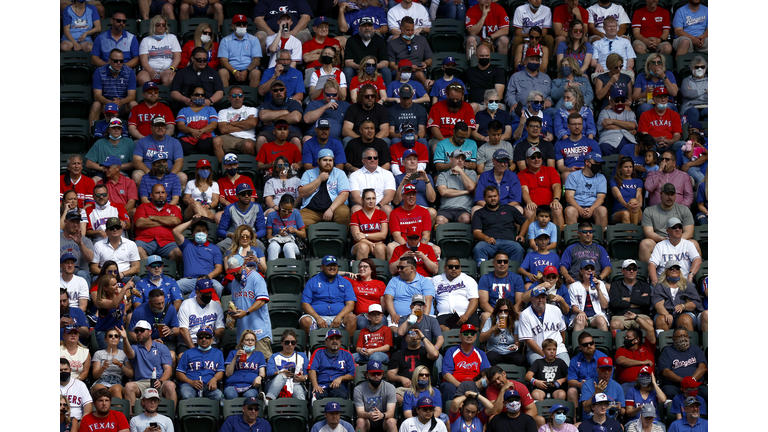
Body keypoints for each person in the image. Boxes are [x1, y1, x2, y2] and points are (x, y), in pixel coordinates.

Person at [118, 322, 177, 415]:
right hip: (141, 382)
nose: (139, 333)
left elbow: (168, 370)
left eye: (142, 330)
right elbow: (129, 353)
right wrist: (125, 339)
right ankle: (132, 419)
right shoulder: (135, 348)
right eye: (137, 331)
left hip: (159, 381)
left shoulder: (162, 347)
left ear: (150, 332)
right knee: (129, 386)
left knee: (170, 385)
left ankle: (170, 418)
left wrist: (161, 381)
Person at [300, 255, 357, 336]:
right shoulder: (312, 281)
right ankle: (307, 348)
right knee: (305, 320)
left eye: (334, 265)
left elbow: (350, 304)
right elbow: (305, 304)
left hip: (339, 317)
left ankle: (348, 346)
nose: (332, 268)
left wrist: (339, 317)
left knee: (352, 318)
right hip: (317, 317)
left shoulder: (345, 282)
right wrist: (318, 318)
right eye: (328, 265)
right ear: (322, 267)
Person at [472, 185, 531, 265]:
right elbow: (476, 232)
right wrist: (486, 238)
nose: (493, 198)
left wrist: (521, 235)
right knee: (478, 248)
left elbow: (525, 221)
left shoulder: (509, 209)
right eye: (490, 197)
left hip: (509, 242)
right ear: (484, 198)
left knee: (518, 248)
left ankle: (513, 274)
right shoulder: (479, 213)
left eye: (495, 196)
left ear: (499, 196)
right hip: (488, 243)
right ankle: (482, 273)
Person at [228, 255, 272, 358]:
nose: (234, 273)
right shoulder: (234, 283)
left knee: (264, 367)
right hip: (242, 335)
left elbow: (262, 300)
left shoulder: (256, 277)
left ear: (243, 266)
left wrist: (246, 312)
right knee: (243, 369)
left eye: (236, 270)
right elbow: (235, 304)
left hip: (259, 333)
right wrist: (233, 312)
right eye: (232, 271)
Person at [639, 184, 697, 262]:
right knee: (645, 244)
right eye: (667, 194)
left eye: (672, 194)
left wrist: (675, 241)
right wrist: (662, 239)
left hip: (679, 241)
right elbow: (648, 232)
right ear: (660, 194)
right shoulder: (649, 211)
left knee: (694, 244)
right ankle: (650, 273)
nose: (670, 197)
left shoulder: (684, 209)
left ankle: (691, 274)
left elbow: (689, 232)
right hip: (659, 241)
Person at [440, 324, 491, 406]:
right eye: (466, 334)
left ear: (475, 337)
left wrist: (476, 386)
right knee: (448, 387)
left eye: (472, 334)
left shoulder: (481, 353)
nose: (469, 336)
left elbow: (487, 373)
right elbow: (446, 374)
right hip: (456, 384)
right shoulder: (451, 351)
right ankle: (449, 415)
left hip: (475, 385)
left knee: (487, 387)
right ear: (460, 336)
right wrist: (462, 386)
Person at [128, 287, 180, 367]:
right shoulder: (139, 311)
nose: (161, 306)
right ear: (150, 302)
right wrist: (149, 342)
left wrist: (171, 331)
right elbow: (131, 334)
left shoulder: (170, 308)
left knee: (172, 356)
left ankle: (168, 379)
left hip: (164, 341)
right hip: (144, 342)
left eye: (163, 302)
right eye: (158, 304)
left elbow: (177, 329)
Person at [298, 149, 352, 226]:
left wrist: (331, 209)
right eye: (325, 160)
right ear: (318, 161)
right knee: (301, 222)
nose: (328, 163)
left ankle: (340, 238)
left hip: (335, 208)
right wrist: (319, 179)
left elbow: (344, 195)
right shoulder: (308, 173)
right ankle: (317, 237)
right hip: (311, 210)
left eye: (330, 160)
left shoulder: (340, 173)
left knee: (343, 214)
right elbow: (302, 193)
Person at [132, 116, 187, 188]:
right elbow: (136, 161)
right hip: (148, 173)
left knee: (182, 177)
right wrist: (149, 172)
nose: (160, 128)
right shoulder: (142, 141)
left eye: (162, 125)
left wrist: (170, 176)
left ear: (166, 127)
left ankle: (178, 199)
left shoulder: (174, 142)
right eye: (157, 126)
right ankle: (142, 198)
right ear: (151, 128)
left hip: (168, 173)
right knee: (137, 175)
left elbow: (179, 161)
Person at [519, 288, 569, 366]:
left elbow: (562, 331)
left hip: (558, 350)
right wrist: (545, 355)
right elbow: (528, 340)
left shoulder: (556, 310)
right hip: (536, 351)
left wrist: (557, 348)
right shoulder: (525, 315)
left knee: (565, 366)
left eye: (543, 297)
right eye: (537, 297)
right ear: (531, 300)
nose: (541, 300)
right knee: (542, 368)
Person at [134, 184, 183, 263]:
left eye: (163, 192)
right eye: (157, 193)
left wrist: (153, 217)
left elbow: (175, 221)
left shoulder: (173, 208)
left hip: (168, 241)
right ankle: (152, 268)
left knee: (178, 253)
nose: (160, 195)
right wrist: (166, 222)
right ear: (151, 195)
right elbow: (140, 223)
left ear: (166, 194)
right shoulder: (143, 206)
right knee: (137, 250)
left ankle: (166, 271)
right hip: (145, 240)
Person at [169, 46, 225, 113]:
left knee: (221, 107)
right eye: (199, 60)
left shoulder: (213, 73)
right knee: (175, 106)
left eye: (204, 60)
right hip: (187, 104)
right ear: (192, 58)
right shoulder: (182, 73)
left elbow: (220, 92)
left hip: (208, 104)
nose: (202, 62)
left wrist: (210, 101)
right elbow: (173, 92)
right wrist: (185, 100)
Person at [175, 327, 225, 402]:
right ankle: (193, 414)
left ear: (212, 340)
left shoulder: (218, 353)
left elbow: (220, 371)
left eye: (207, 337)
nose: (204, 339)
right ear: (197, 340)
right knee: (186, 394)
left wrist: (214, 379)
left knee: (218, 395)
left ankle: (205, 413)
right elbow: (179, 372)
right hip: (189, 385)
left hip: (208, 385)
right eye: (201, 337)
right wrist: (191, 382)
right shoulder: (188, 353)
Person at [651, 261, 703, 333]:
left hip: (685, 313)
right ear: (666, 271)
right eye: (671, 268)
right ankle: (664, 343)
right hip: (665, 313)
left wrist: (683, 306)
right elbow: (658, 304)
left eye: (677, 268)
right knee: (662, 320)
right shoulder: (660, 285)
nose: (674, 270)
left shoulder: (687, 284)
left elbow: (694, 303)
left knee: (684, 319)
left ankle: (689, 343)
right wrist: (666, 314)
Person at [90, 49, 138, 125]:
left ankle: (135, 131)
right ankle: (92, 132)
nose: (119, 63)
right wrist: (110, 103)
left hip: (122, 104)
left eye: (121, 61)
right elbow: (97, 95)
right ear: (109, 60)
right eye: (116, 61)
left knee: (134, 104)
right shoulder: (99, 71)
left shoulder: (130, 72)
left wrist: (121, 102)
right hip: (106, 103)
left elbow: (132, 96)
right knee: (96, 105)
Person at [519, 147, 564, 229]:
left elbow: (557, 187)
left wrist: (556, 199)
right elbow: (524, 191)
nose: (536, 159)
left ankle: (558, 238)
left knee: (557, 208)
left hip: (549, 205)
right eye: (533, 157)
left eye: (539, 157)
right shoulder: (521, 174)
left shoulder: (550, 170)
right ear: (527, 160)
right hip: (533, 205)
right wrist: (529, 202)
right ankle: (531, 239)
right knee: (529, 210)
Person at [177, 279, 226, 354]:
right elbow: (183, 329)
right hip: (190, 342)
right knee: (181, 356)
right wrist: (193, 350)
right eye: (205, 293)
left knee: (216, 357)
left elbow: (221, 330)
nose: (208, 295)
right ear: (197, 292)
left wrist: (213, 332)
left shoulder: (216, 306)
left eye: (210, 292)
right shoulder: (186, 304)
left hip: (209, 342)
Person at [388, 331, 440, 402]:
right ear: (406, 338)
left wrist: (422, 337)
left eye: (416, 333)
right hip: (406, 389)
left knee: (435, 394)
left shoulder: (427, 352)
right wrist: (401, 378)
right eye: (410, 333)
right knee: (397, 396)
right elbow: (390, 374)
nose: (413, 335)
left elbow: (435, 354)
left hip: (425, 387)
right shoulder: (398, 354)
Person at [648, 219, 701, 286]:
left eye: (680, 227)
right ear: (667, 230)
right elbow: (651, 264)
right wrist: (655, 280)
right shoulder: (660, 245)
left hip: (684, 282)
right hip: (664, 283)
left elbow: (698, 260)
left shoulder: (689, 244)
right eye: (674, 227)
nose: (677, 229)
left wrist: (691, 275)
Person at [255, 79, 304, 153]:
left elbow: (296, 118)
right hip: (270, 132)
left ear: (285, 90)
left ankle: (296, 164)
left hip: (291, 132)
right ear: (271, 92)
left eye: (281, 90)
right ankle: (264, 164)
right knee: (261, 139)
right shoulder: (266, 104)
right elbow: (263, 116)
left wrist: (273, 120)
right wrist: (286, 112)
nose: (279, 92)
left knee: (296, 140)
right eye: (275, 90)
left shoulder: (294, 103)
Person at [216, 182, 266, 254]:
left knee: (260, 246)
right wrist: (233, 235)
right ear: (237, 196)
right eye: (243, 194)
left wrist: (252, 235)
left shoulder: (257, 207)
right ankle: (224, 264)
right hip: (233, 238)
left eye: (249, 194)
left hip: (251, 238)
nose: (246, 196)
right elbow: (220, 230)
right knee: (220, 246)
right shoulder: (230, 208)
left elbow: (262, 229)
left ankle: (256, 264)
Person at [427, 84, 478, 154]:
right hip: (440, 139)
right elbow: (434, 128)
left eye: (458, 99)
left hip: (461, 139)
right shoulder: (437, 106)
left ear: (462, 96)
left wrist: (459, 141)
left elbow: (468, 130)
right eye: (453, 99)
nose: (455, 101)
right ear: (447, 95)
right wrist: (446, 143)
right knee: (437, 147)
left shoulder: (467, 107)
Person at [563, 151, 608, 227]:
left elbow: (601, 198)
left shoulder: (601, 177)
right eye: (596, 163)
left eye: (599, 164)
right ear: (587, 162)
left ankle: (600, 238)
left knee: (602, 210)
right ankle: (574, 238)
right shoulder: (573, 175)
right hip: (576, 206)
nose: (598, 165)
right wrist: (580, 209)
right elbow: (569, 197)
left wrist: (591, 209)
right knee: (569, 210)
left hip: (594, 207)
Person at [433, 257, 480, 330]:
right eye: (450, 267)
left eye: (457, 267)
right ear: (445, 268)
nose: (454, 269)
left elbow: (474, 299)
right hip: (444, 314)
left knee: (474, 328)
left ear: (460, 268)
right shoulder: (435, 280)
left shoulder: (468, 280)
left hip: (466, 313)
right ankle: (454, 340)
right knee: (441, 328)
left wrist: (466, 315)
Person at [309, 328, 357, 400]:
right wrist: (315, 385)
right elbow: (312, 370)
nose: (335, 341)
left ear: (340, 341)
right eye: (331, 339)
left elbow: (352, 374)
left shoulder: (347, 354)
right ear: (326, 342)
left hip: (338, 387)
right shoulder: (318, 352)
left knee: (342, 396)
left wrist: (341, 378)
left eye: (337, 339)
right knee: (316, 397)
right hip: (321, 385)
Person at [385, 257, 436, 324]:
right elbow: (388, 298)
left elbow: (428, 300)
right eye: (398, 267)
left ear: (412, 268)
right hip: (398, 317)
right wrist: (393, 314)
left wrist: (424, 319)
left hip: (421, 317)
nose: (399, 270)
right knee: (395, 330)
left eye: (402, 267)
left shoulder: (425, 281)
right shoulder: (394, 281)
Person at [505, 47, 553, 117]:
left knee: (554, 113)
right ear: (525, 61)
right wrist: (514, 103)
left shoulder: (546, 77)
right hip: (524, 108)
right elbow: (510, 94)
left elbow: (551, 94)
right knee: (514, 114)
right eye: (532, 59)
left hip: (542, 108)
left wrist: (549, 100)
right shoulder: (516, 76)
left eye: (536, 60)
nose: (534, 62)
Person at [392, 149, 437, 224]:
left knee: (432, 212)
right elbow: (396, 202)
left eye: (415, 159)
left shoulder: (427, 176)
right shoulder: (398, 178)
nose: (412, 161)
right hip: (404, 210)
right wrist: (402, 183)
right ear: (403, 162)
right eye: (409, 159)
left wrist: (427, 181)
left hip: (422, 209)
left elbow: (432, 199)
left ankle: (425, 235)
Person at [263, 329, 309, 402]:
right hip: (275, 384)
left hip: (295, 383)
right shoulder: (274, 356)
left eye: (293, 342)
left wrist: (303, 378)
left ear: (296, 344)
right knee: (282, 376)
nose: (290, 345)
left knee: (298, 391)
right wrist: (281, 373)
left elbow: (307, 373)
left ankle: (301, 411)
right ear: (282, 343)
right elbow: (269, 372)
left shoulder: (302, 356)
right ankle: (268, 400)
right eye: (287, 342)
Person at [218, 14, 263, 88]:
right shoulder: (225, 40)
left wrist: (246, 71)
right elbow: (223, 61)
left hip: (249, 70)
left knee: (256, 73)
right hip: (231, 70)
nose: (242, 26)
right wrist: (234, 71)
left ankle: (252, 98)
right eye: (238, 24)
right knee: (222, 72)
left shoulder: (254, 39)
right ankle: (225, 98)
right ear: (233, 26)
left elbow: (257, 60)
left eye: (244, 24)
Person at [608, 260, 654, 331]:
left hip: (640, 315)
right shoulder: (615, 285)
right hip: (621, 315)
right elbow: (615, 303)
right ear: (622, 271)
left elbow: (646, 302)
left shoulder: (644, 285)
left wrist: (626, 299)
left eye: (634, 269)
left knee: (649, 323)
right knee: (614, 324)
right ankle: (616, 342)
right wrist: (638, 301)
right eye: (629, 269)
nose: (632, 271)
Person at [213, 88, 259, 161]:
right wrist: (246, 124)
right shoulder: (223, 112)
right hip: (229, 137)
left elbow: (253, 123)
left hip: (247, 138)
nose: (237, 98)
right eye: (234, 96)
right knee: (216, 140)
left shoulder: (251, 110)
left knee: (248, 145)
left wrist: (231, 123)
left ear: (243, 97)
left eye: (240, 95)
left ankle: (247, 167)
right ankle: (223, 168)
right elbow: (223, 129)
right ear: (229, 98)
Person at [554, 113, 600, 183]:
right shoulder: (560, 144)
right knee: (566, 175)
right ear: (568, 126)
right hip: (570, 173)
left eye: (580, 124)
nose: (577, 127)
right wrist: (570, 169)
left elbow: (598, 162)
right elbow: (560, 166)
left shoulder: (592, 143)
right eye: (574, 124)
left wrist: (587, 169)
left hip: (589, 171)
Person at [344, 18, 391, 86]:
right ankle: (350, 96)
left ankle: (385, 95)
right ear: (359, 28)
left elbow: (385, 63)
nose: (367, 28)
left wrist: (371, 67)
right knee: (347, 71)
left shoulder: (380, 40)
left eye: (369, 26)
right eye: (364, 26)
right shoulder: (351, 40)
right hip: (358, 69)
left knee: (386, 71)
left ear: (373, 28)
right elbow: (348, 63)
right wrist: (362, 67)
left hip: (375, 70)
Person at [349, 148, 396, 215]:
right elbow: (355, 197)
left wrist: (378, 206)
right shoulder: (354, 175)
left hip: (382, 206)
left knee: (387, 209)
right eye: (369, 158)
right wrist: (368, 207)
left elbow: (390, 195)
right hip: (362, 205)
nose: (372, 160)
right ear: (363, 160)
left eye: (375, 158)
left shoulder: (387, 174)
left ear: (378, 160)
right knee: (356, 209)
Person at [137, 15, 181, 87]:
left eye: (163, 25)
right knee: (142, 78)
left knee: (171, 79)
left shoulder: (172, 37)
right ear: (153, 26)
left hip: (167, 70)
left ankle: (161, 95)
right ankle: (151, 95)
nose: (161, 26)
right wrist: (151, 71)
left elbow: (177, 57)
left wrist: (171, 69)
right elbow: (143, 60)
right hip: (149, 70)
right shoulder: (146, 40)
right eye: (158, 25)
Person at [354, 360, 398, 432]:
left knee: (391, 421)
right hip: (368, 419)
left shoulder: (390, 388)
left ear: (382, 374)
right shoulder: (359, 389)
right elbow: (360, 413)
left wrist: (382, 415)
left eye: (379, 373)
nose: (376, 376)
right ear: (367, 375)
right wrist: (370, 415)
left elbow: (391, 412)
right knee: (360, 421)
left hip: (383, 419)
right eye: (373, 374)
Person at [175, 86, 219, 157]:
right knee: (181, 147)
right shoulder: (184, 110)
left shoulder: (210, 109)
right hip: (186, 137)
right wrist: (192, 131)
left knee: (206, 146)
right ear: (191, 96)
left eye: (203, 95)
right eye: (197, 95)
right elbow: (180, 126)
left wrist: (199, 132)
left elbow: (213, 125)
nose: (200, 97)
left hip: (206, 137)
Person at [435, 150, 477, 225]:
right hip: (446, 209)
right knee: (439, 220)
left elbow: (471, 187)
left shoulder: (471, 173)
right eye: (457, 158)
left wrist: (461, 171)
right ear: (450, 159)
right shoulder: (443, 175)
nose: (460, 160)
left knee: (466, 219)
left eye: (462, 159)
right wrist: (465, 192)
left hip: (464, 209)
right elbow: (443, 192)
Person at [590, 16, 635, 85]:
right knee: (596, 79)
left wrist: (629, 67)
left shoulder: (625, 42)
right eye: (609, 26)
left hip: (621, 70)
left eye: (614, 26)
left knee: (630, 77)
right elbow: (593, 62)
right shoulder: (597, 43)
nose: (612, 28)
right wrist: (597, 65)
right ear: (604, 28)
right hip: (604, 70)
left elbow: (630, 59)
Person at [566, 331, 607, 406]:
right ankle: (575, 417)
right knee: (571, 391)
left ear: (594, 344)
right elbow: (570, 381)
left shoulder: (604, 358)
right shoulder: (575, 360)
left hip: (600, 388)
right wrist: (580, 384)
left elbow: (608, 378)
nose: (589, 346)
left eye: (591, 343)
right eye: (585, 345)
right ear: (580, 347)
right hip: (581, 389)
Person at [223, 330, 267, 400]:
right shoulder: (233, 353)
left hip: (251, 386)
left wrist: (260, 377)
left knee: (250, 396)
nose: (250, 342)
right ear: (241, 342)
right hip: (232, 385)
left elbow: (262, 373)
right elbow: (228, 374)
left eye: (252, 340)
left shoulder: (259, 354)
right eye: (247, 340)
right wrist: (236, 357)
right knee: (231, 395)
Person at [568, 259, 609, 332]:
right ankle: (577, 343)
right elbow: (573, 307)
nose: (590, 271)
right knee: (580, 320)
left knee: (601, 320)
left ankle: (605, 342)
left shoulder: (600, 284)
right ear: (581, 271)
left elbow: (605, 306)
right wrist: (580, 312)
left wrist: (598, 289)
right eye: (586, 268)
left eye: (592, 269)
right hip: (580, 315)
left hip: (596, 316)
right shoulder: (574, 286)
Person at [480, 298, 524, 366]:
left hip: (509, 352)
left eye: (506, 311)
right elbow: (481, 339)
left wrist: (516, 346)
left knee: (519, 359)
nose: (503, 313)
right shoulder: (491, 320)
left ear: (510, 311)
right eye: (500, 311)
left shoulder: (515, 322)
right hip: (494, 351)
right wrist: (494, 328)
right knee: (489, 358)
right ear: (497, 311)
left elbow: (517, 343)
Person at [633, 53, 679, 118]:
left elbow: (674, 93)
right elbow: (635, 97)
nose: (656, 64)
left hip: (665, 103)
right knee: (646, 107)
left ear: (662, 65)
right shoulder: (641, 76)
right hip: (648, 103)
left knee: (668, 106)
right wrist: (645, 93)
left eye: (659, 62)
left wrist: (663, 77)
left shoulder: (669, 74)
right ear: (649, 65)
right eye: (653, 63)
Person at [637, 88, 683, 152]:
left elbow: (677, 135)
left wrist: (670, 141)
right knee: (647, 146)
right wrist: (656, 140)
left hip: (670, 144)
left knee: (682, 144)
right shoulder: (645, 115)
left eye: (665, 97)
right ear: (653, 99)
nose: (663, 100)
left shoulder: (675, 114)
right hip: (653, 144)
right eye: (660, 97)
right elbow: (644, 135)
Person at [350, 190, 390, 260]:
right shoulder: (356, 215)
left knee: (379, 247)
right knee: (363, 247)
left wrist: (365, 235)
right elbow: (357, 237)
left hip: (379, 243)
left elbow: (383, 235)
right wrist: (370, 243)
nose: (371, 201)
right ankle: (360, 270)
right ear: (362, 200)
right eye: (368, 199)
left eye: (373, 198)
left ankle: (380, 271)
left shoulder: (382, 214)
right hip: (359, 244)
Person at [265, 194, 306, 260]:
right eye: (284, 210)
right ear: (280, 205)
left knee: (288, 247)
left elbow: (304, 234)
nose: (287, 212)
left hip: (292, 242)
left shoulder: (296, 214)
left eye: (290, 210)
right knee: (273, 246)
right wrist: (279, 235)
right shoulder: (271, 215)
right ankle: (272, 269)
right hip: (276, 241)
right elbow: (268, 237)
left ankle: (293, 269)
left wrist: (295, 231)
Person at [597, 88, 637, 156]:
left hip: (627, 139)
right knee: (603, 148)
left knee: (633, 149)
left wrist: (612, 121)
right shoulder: (604, 112)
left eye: (622, 100)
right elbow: (606, 126)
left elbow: (633, 126)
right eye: (617, 101)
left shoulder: (630, 113)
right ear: (611, 102)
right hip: (608, 140)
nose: (620, 103)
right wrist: (627, 127)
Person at [466, 45, 507, 112]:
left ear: (490, 56)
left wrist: (489, 105)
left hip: (494, 103)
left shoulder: (498, 71)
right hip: (477, 104)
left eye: (487, 56)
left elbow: (499, 95)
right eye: (482, 56)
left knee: (497, 106)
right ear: (476, 56)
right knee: (472, 106)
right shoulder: (470, 71)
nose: (484, 58)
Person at [609, 157, 644, 225]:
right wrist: (627, 206)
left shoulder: (638, 181)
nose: (628, 169)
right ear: (620, 169)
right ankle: (634, 232)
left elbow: (639, 195)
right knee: (626, 214)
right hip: (619, 211)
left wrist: (639, 205)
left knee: (634, 201)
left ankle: (632, 233)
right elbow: (618, 196)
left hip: (636, 210)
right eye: (626, 167)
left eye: (630, 167)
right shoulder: (614, 181)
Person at [61, 358, 93, 422]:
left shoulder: (80, 384)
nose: (63, 372)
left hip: (77, 420)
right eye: (60, 370)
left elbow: (88, 404)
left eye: (65, 369)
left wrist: (85, 416)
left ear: (70, 370)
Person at [680, 56, 708, 124]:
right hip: (690, 106)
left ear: (706, 68)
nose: (700, 69)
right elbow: (687, 94)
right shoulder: (686, 81)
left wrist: (694, 93)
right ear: (691, 68)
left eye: (702, 67)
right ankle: (691, 132)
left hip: (707, 105)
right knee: (694, 112)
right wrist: (705, 91)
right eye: (697, 67)